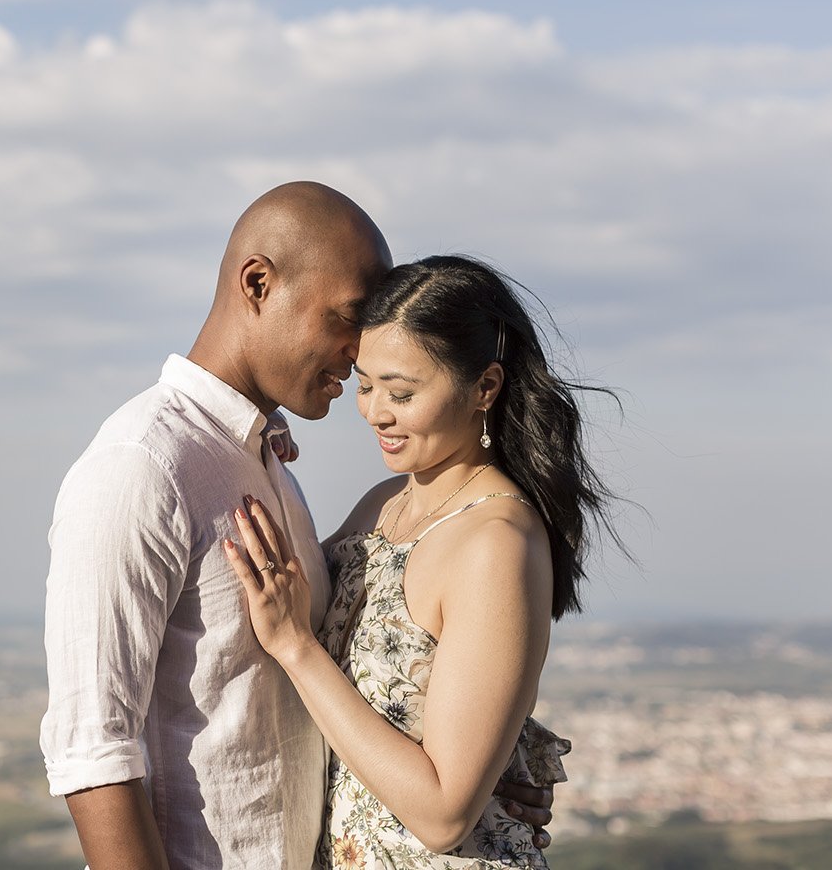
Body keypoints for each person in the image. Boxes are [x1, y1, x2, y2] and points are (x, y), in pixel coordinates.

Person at [40, 186, 554, 870]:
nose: (356, 350)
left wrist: (493, 761)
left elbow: (384, 668)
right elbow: (92, 751)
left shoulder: (267, 463)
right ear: (258, 283)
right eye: (346, 318)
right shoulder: (143, 467)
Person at [224, 255, 611, 868]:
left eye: (402, 392)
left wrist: (297, 647)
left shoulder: (497, 542)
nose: (376, 412)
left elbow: (442, 814)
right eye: (366, 385)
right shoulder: (381, 506)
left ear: (485, 386)